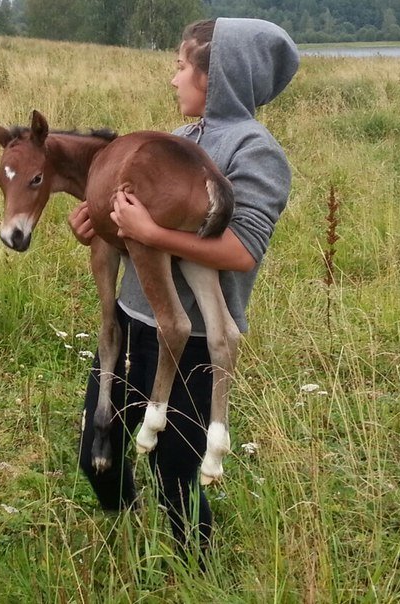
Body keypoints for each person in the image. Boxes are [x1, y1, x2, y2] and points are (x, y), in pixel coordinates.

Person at [68, 18, 299, 557]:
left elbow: (242, 252)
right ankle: (126, 530)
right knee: (96, 450)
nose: (172, 80)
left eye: (180, 67)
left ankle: (197, 568)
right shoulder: (175, 141)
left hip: (192, 340)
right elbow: (132, 237)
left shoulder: (255, 150)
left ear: (217, 75)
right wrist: (97, 227)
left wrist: (152, 231)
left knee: (177, 475)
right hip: (130, 321)